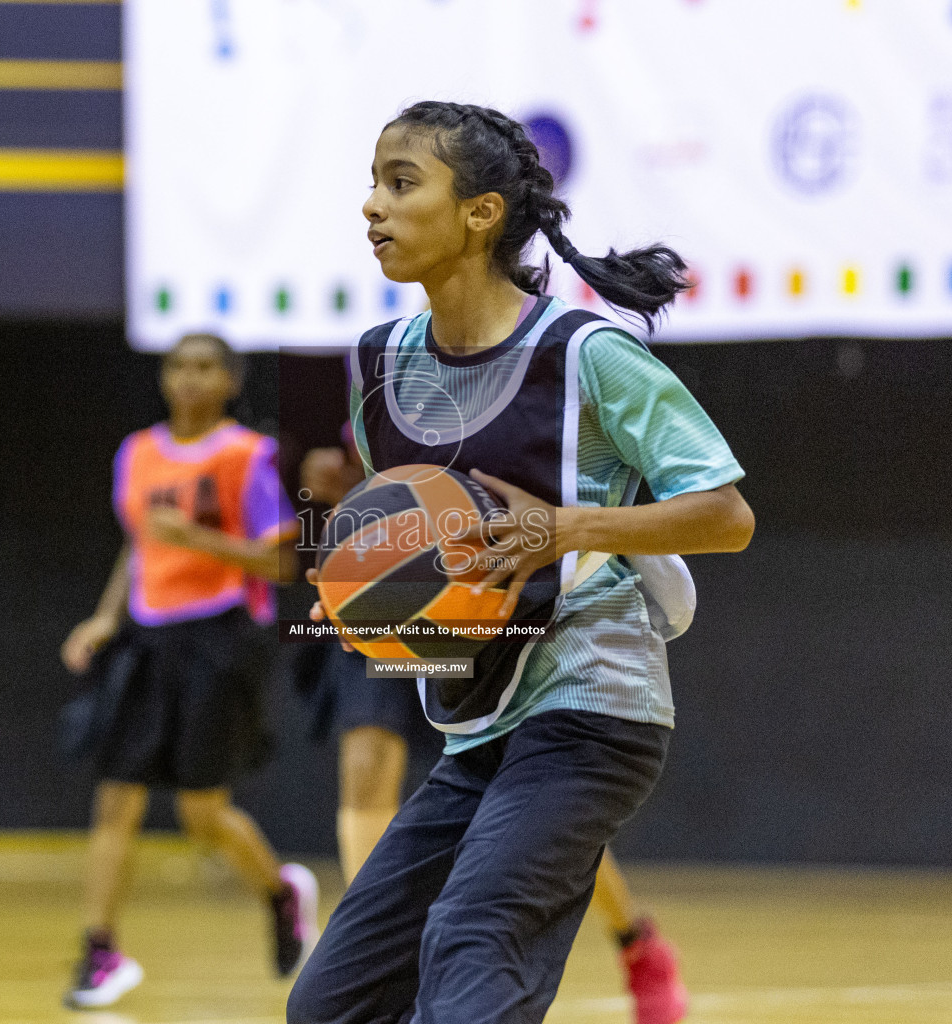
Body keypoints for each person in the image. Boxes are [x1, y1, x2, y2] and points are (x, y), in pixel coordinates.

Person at [287, 101, 753, 1024]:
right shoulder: (380, 363)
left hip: (595, 706)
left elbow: (727, 515)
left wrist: (569, 528)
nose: (372, 206)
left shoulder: (588, 355)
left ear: (481, 213)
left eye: (401, 182)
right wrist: (366, 585)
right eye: (373, 182)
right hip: (477, 720)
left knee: (473, 937)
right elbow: (422, 543)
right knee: (331, 1003)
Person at [301, 433, 689, 1023]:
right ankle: (385, 955)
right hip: (396, 600)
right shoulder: (386, 371)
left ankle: (634, 938)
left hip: (502, 607)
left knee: (521, 817)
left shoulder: (533, 389)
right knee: (367, 780)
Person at [59, 333, 317, 1009]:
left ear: (230, 379)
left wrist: (199, 540)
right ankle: (99, 949)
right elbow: (138, 546)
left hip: (221, 636)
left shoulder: (248, 456)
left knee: (203, 812)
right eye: (178, 365)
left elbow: (284, 563)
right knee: (117, 796)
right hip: (149, 637)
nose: (190, 378)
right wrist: (105, 618)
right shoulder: (137, 452)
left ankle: (279, 893)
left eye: (206, 366)